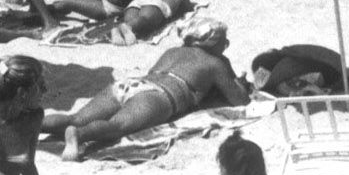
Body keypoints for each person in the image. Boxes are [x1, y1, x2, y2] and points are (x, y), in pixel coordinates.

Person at [42, 18, 251, 161]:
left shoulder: (174, 50)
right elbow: (239, 99)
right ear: (212, 43)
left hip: (130, 84)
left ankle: (33, 124)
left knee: (75, 116)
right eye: (224, 41)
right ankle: (79, 134)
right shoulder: (216, 62)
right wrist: (240, 82)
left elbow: (153, 72)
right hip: (160, 95)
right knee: (116, 126)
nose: (227, 44)